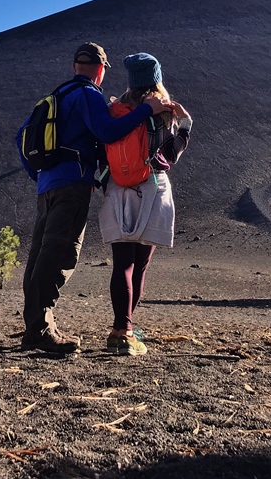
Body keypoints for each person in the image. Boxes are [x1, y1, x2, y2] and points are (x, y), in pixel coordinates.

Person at [16, 43, 168, 353]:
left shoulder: (55, 96)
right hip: (73, 184)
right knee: (59, 255)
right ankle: (41, 330)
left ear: (74, 66)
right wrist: (146, 110)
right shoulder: (88, 94)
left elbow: (21, 136)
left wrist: (39, 175)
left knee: (39, 255)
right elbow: (108, 131)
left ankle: (35, 326)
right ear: (100, 70)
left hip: (47, 184)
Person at [98, 53, 192, 356]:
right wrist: (186, 125)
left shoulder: (114, 110)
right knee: (139, 265)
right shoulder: (164, 112)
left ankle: (121, 328)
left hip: (117, 188)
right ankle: (124, 331)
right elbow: (169, 156)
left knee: (121, 264)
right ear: (157, 78)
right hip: (152, 187)